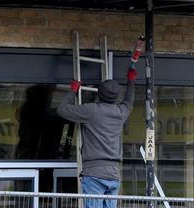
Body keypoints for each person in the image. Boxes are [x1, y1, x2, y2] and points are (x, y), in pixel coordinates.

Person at [57, 68, 137, 207]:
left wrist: (73, 91)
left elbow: (62, 110)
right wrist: (131, 81)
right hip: (113, 174)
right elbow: (129, 101)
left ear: (99, 94)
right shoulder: (121, 112)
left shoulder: (91, 110)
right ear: (116, 97)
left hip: (94, 173)